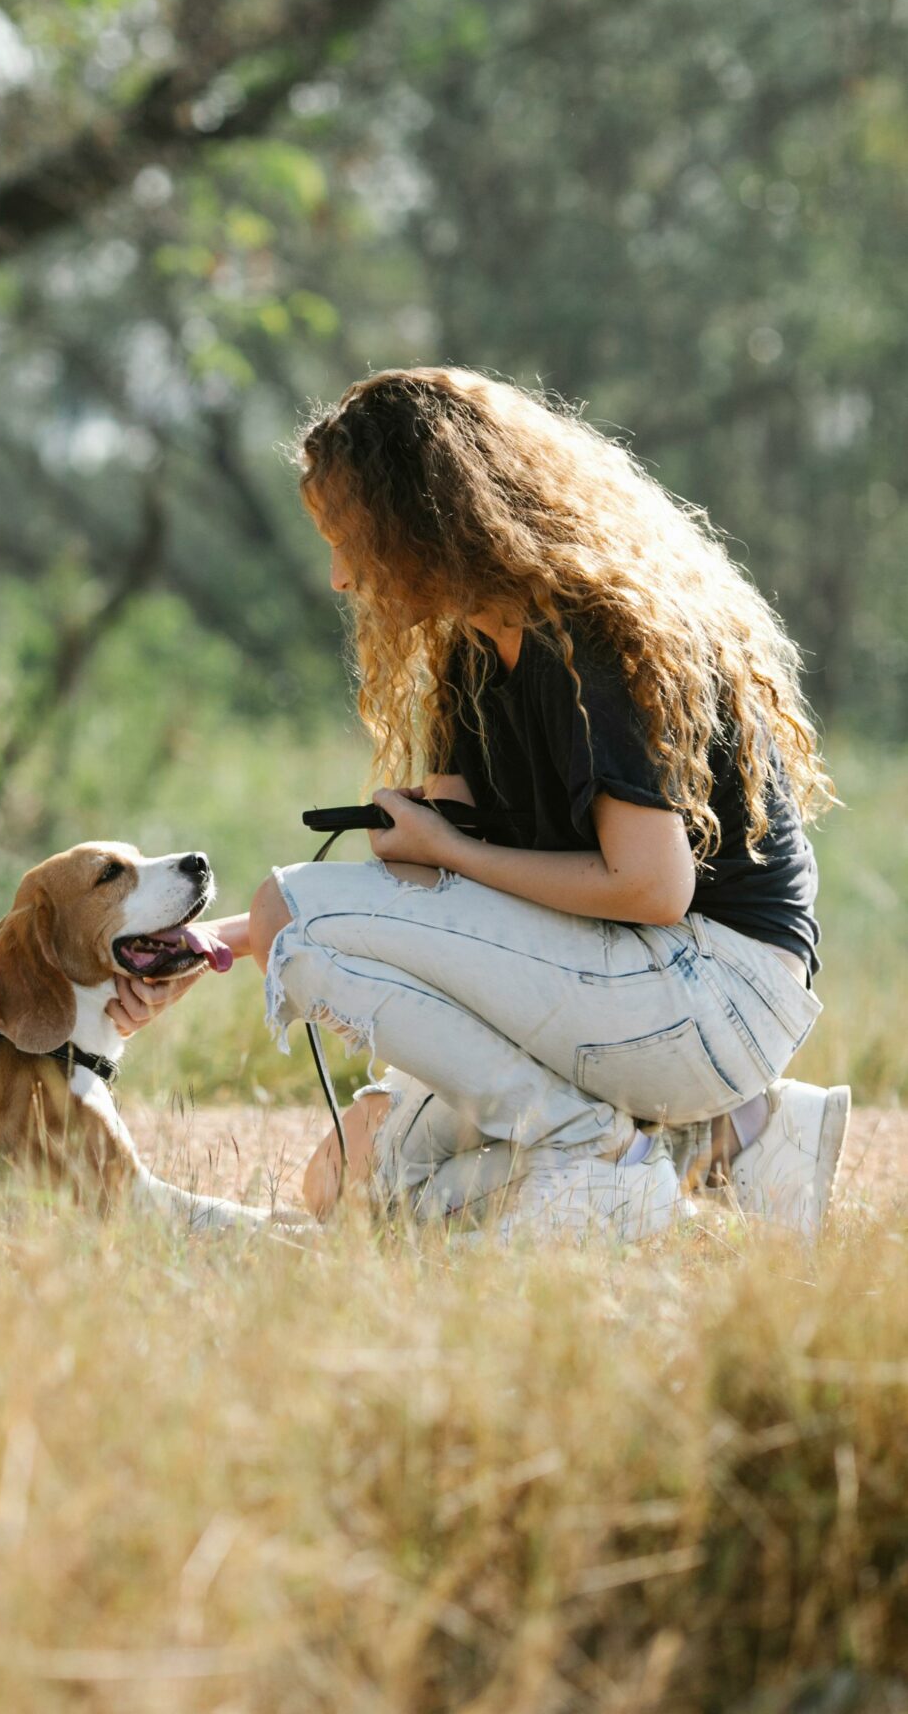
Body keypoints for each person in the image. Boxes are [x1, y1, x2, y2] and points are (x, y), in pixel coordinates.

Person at [113, 367, 849, 1243]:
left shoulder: (596, 639)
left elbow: (653, 888)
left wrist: (441, 854)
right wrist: (211, 945)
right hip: (621, 978)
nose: (340, 577)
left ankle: (603, 1157)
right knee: (349, 1183)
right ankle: (729, 1146)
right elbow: (459, 884)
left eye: (352, 540)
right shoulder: (473, 653)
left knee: (291, 910)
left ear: (427, 520)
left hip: (716, 992)